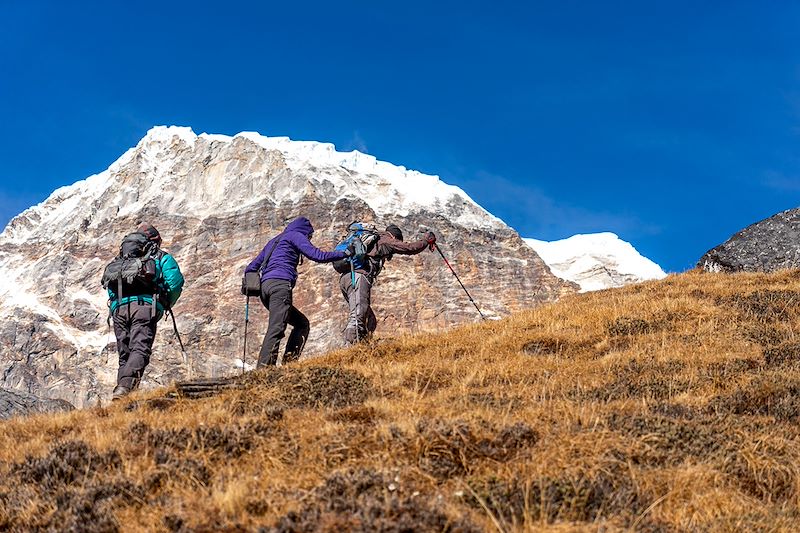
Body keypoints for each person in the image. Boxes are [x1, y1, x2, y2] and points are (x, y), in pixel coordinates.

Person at [244, 216, 352, 367]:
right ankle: (264, 370)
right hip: (280, 286)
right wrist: (344, 253)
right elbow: (318, 255)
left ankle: (289, 365)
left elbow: (250, 267)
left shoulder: (274, 241)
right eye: (310, 236)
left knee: (301, 323)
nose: (309, 238)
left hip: (265, 289)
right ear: (305, 231)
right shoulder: (296, 236)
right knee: (276, 327)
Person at [108, 223, 184, 400]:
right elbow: (175, 283)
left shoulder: (120, 258)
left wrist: (117, 305)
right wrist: (165, 303)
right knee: (140, 349)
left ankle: (123, 396)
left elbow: (110, 286)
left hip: (119, 309)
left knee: (125, 354)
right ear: (155, 240)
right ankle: (125, 389)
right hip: (144, 307)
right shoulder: (161, 256)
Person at [340, 224, 436, 344]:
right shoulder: (386, 240)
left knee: (369, 319)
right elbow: (409, 248)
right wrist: (426, 240)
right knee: (358, 315)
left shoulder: (375, 238)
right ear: (395, 236)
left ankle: (363, 346)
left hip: (345, 278)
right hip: (358, 277)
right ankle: (350, 347)